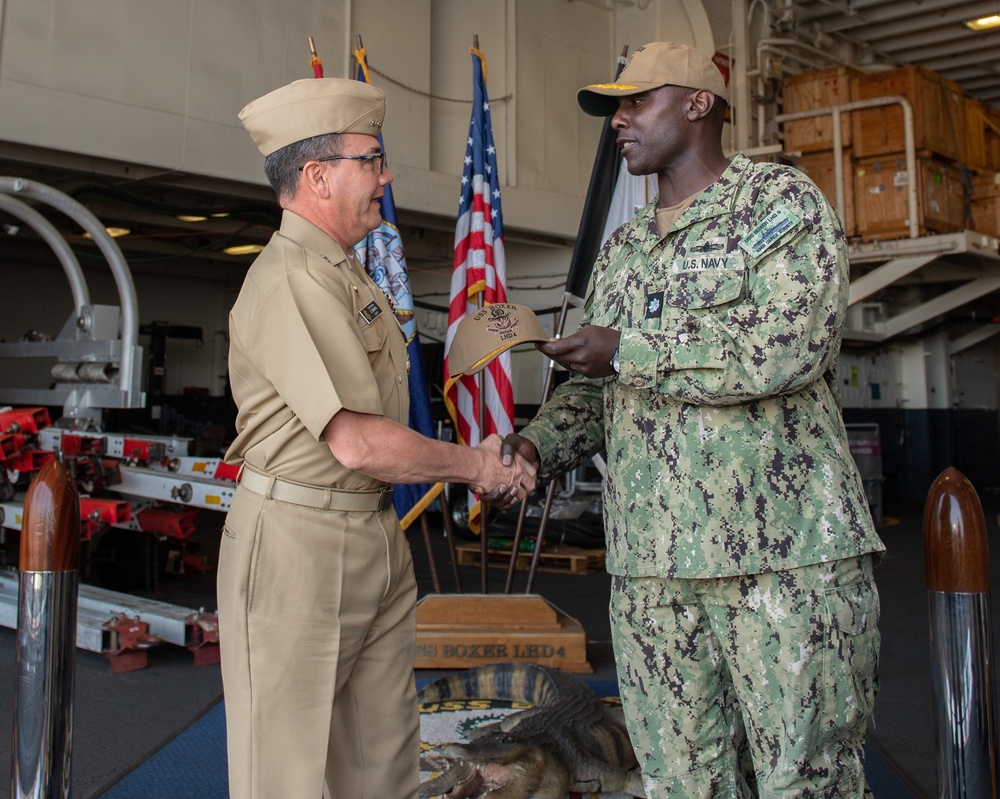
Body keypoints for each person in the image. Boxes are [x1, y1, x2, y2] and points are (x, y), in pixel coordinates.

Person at [501, 42, 885, 797]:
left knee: (804, 781)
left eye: (634, 101)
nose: (619, 121)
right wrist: (530, 447)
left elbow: (788, 346)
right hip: (654, 575)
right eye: (615, 107)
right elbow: (597, 390)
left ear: (698, 103)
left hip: (781, 564)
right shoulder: (624, 248)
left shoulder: (778, 205)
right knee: (681, 781)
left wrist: (627, 348)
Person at [219, 77, 536, 799]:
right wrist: (476, 467)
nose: (386, 177)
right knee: (287, 773)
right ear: (318, 175)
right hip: (301, 542)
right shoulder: (292, 277)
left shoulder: (345, 275)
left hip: (369, 534)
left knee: (382, 763)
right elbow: (357, 441)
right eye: (373, 159)